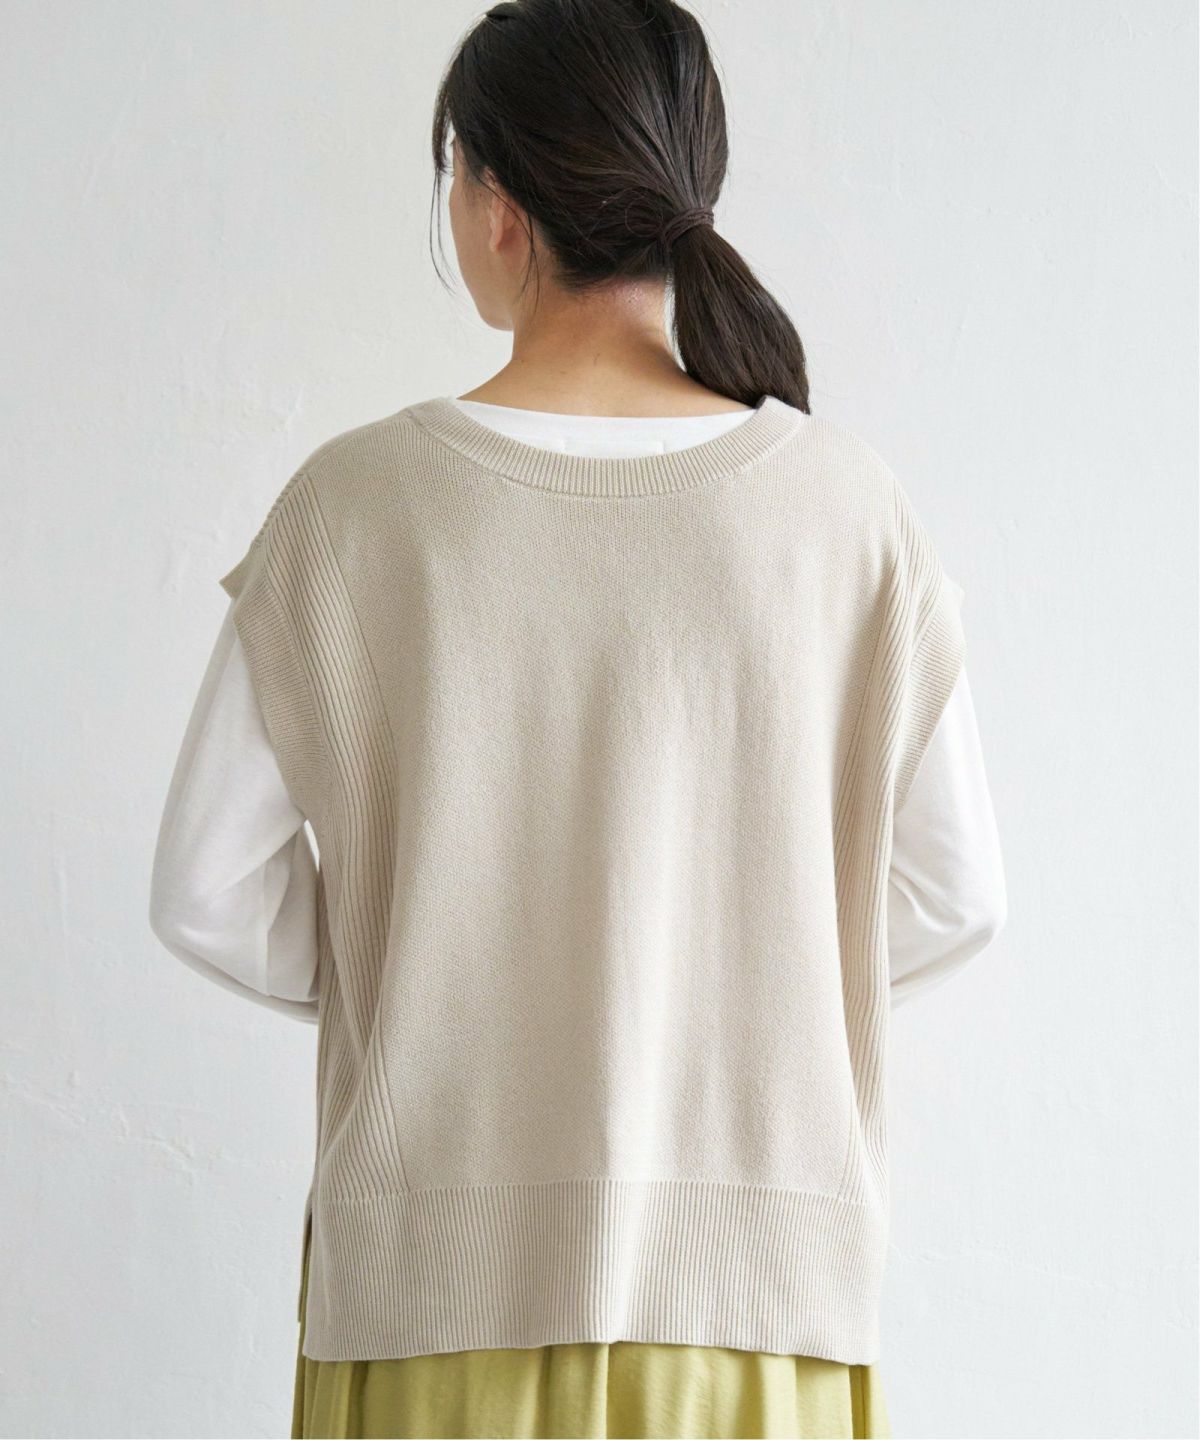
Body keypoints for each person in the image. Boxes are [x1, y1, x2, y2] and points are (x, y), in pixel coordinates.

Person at [148, 1, 1007, 1436]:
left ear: (497, 208)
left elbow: (204, 889)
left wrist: (428, 967)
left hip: (433, 1301)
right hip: (755, 1314)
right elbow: (955, 895)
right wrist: (738, 983)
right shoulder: (849, 514)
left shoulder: (352, 509)